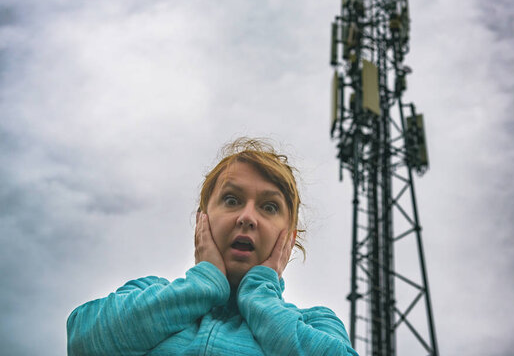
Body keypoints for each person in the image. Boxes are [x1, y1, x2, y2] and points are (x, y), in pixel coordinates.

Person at [67, 138, 358, 355]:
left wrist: (260, 294)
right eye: (231, 200)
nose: (247, 217)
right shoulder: (148, 294)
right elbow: (83, 339)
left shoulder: (316, 324)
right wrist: (203, 283)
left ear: (289, 237)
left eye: (269, 207)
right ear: (202, 221)